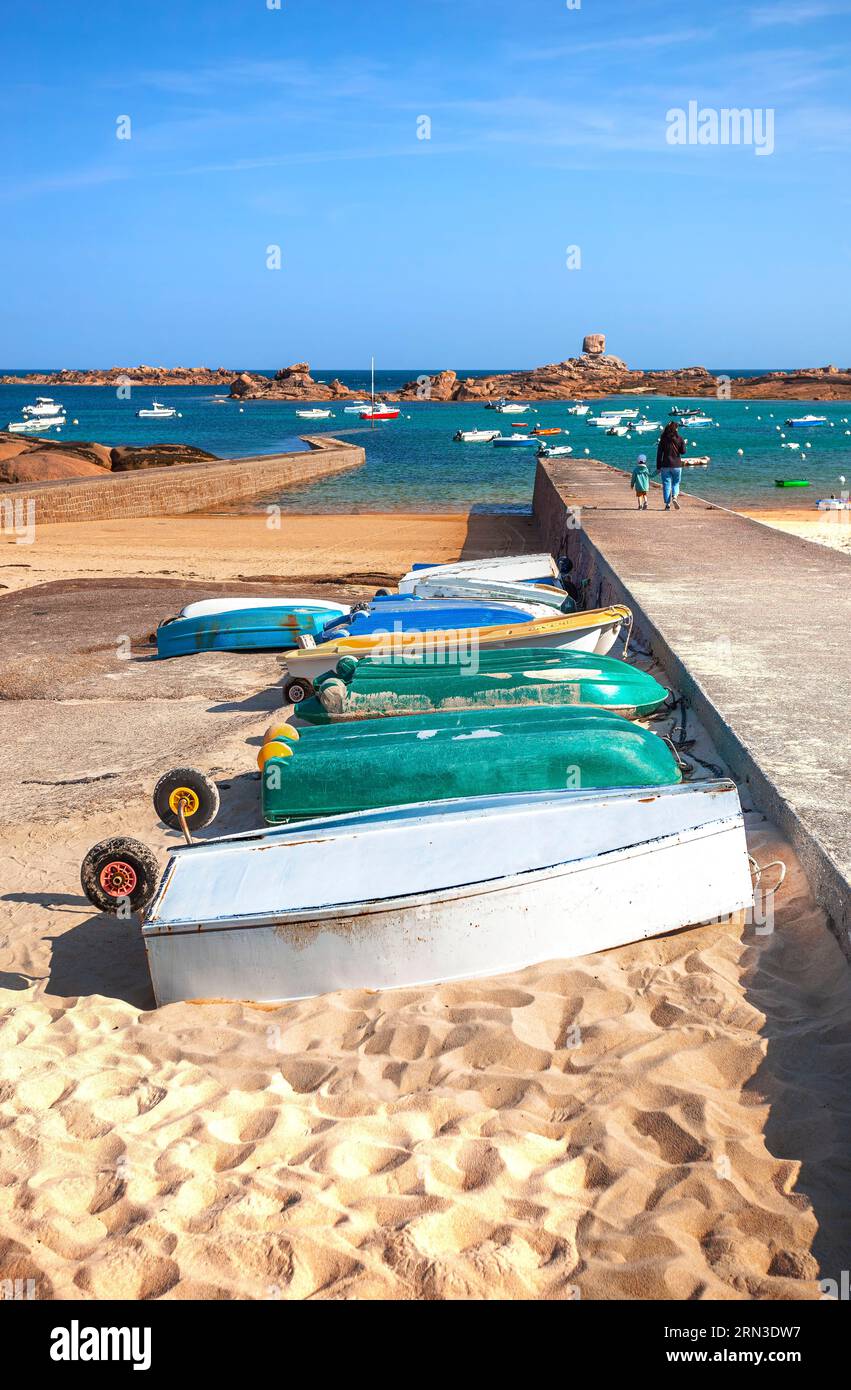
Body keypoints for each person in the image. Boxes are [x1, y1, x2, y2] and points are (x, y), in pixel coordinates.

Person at [656, 421, 686, 510]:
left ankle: (667, 505)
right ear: (676, 429)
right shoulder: (680, 438)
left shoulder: (663, 439)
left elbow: (659, 454)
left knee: (666, 484)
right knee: (676, 483)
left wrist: (658, 466)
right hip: (677, 465)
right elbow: (683, 452)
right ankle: (675, 497)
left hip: (665, 465)